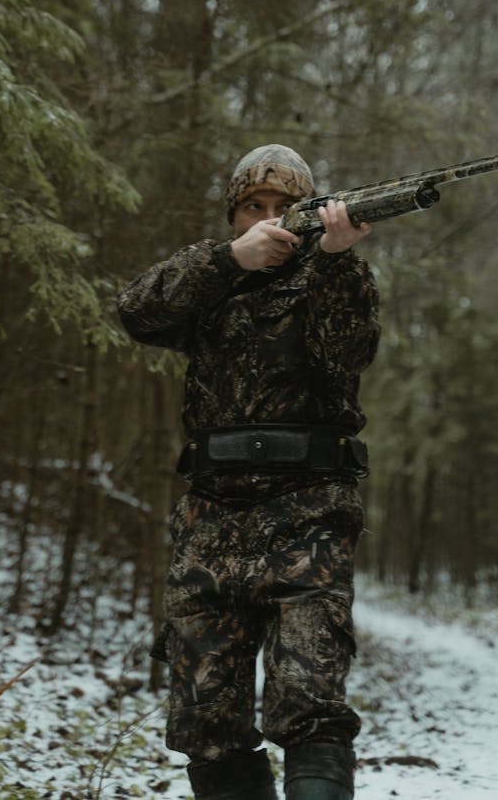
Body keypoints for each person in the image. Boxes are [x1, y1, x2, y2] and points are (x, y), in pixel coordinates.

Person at [117, 144, 380, 800]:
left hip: (309, 512)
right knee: (206, 718)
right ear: (235, 216)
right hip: (212, 517)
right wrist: (227, 261)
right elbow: (135, 310)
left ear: (313, 213)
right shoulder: (212, 278)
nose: (270, 219)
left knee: (309, 696)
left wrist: (336, 260)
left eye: (285, 208)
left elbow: (345, 352)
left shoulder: (336, 277)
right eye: (254, 208)